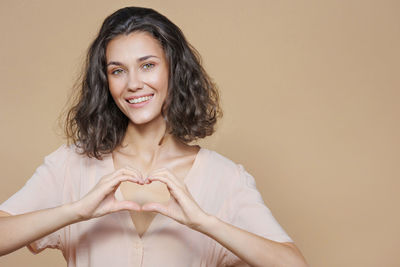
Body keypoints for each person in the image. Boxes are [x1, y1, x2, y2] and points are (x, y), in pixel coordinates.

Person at [0, 6, 308, 267]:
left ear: (174, 70)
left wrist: (205, 223)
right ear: (105, 81)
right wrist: (74, 211)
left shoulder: (225, 179)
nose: (133, 83)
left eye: (147, 66)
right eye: (117, 70)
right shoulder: (70, 166)